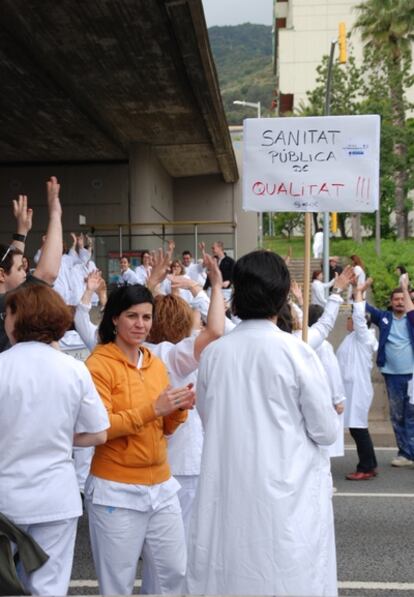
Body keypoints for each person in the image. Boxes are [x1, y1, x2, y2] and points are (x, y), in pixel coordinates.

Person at [186, 250, 339, 597]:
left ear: (236, 294)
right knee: (289, 573)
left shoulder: (214, 354)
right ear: (283, 295)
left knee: (231, 571)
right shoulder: (297, 352)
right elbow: (326, 430)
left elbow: (209, 417)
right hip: (289, 489)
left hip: (229, 484)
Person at [84, 284, 195, 595]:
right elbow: (99, 427)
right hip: (115, 489)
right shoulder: (98, 364)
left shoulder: (155, 362)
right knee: (117, 583)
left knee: (173, 571)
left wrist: (178, 409)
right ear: (115, 319)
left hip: (161, 485)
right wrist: (153, 409)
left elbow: (165, 428)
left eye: (146, 317)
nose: (140, 324)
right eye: (132, 316)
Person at [0, 284, 108, 596]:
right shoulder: (74, 369)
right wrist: (62, 435)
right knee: (49, 587)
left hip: (6, 497)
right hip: (55, 497)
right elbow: (99, 431)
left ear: (18, 318)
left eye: (6, 314)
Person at [0, 177, 63, 352]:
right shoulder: (9, 302)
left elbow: (9, 261)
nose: (25, 273)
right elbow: (47, 273)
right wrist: (55, 214)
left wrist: (21, 232)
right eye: (20, 269)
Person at [365, 282, 414, 466]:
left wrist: (404, 288)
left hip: (412, 376)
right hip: (391, 375)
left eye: (403, 299)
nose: (400, 302)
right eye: (396, 299)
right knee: (397, 415)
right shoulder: (384, 318)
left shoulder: (411, 319)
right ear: (391, 302)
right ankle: (405, 453)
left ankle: (411, 452)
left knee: (411, 415)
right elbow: (365, 307)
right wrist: (357, 289)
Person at [337, 281, 379, 480]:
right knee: (357, 428)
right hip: (350, 390)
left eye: (350, 318)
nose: (348, 321)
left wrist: (359, 294)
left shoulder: (364, 338)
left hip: (358, 390)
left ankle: (365, 467)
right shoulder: (351, 337)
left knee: (358, 428)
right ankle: (370, 463)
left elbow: (360, 319)